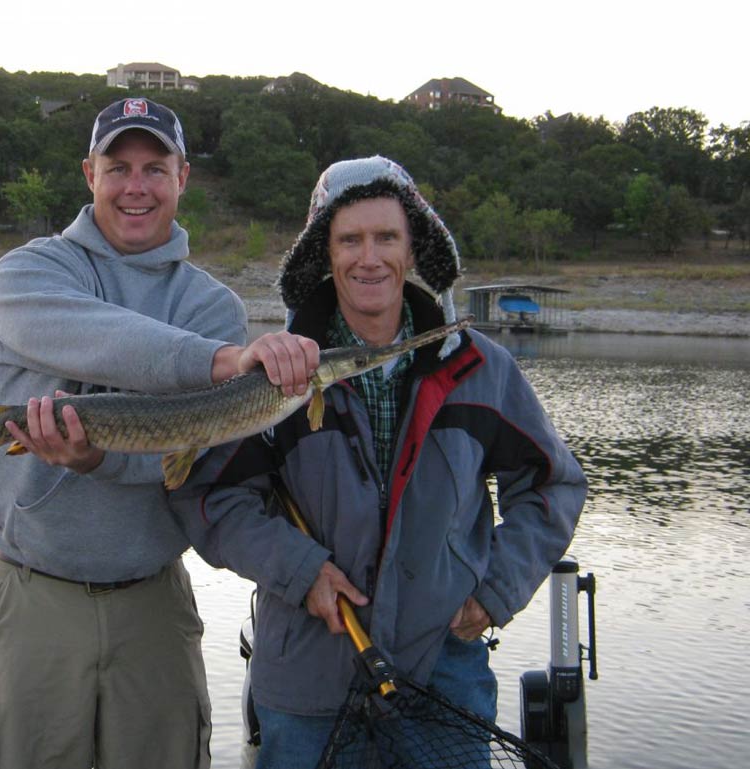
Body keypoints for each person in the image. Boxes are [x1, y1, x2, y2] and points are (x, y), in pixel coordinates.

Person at [170, 156, 588, 768]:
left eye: (386, 237)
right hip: (305, 690)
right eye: (350, 239)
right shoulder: (277, 375)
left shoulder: (483, 370)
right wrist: (299, 569)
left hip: (444, 677)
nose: (370, 258)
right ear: (326, 253)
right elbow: (208, 497)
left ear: (412, 248)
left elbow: (553, 486)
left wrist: (494, 590)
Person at [0, 96, 319, 769]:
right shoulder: (30, 274)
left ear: (183, 178)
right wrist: (213, 363)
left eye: (155, 167)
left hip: (152, 599)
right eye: (117, 166)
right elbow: (96, 338)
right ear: (88, 173)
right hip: (31, 594)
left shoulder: (211, 305)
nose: (135, 186)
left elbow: (197, 455)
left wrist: (101, 462)